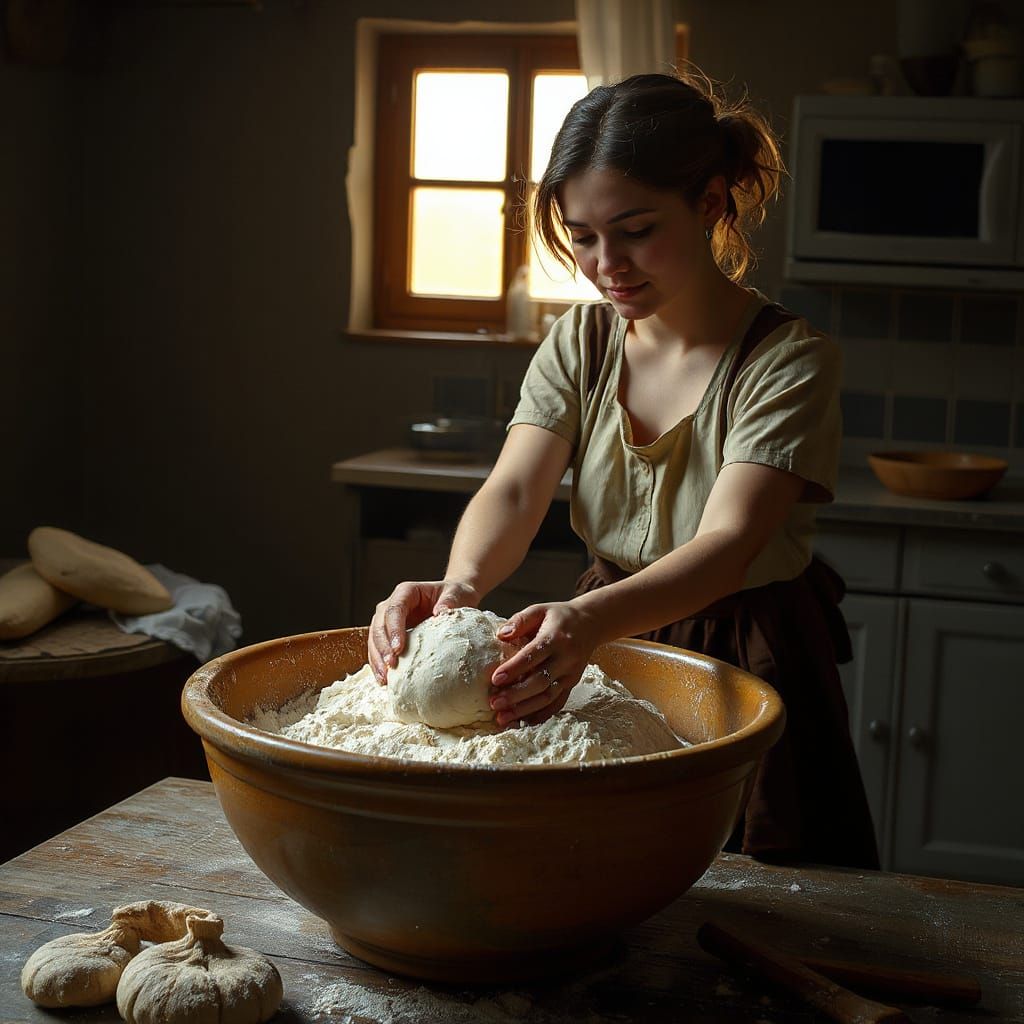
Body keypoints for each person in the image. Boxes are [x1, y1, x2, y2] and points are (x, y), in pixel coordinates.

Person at [368, 69, 879, 871]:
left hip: (743, 648)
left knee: (762, 885)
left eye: (635, 229)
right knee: (598, 871)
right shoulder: (584, 342)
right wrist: (459, 590)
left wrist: (594, 622)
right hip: (599, 635)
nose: (607, 264)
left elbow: (730, 543)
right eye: (582, 235)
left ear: (710, 204)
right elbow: (514, 487)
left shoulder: (788, 362)